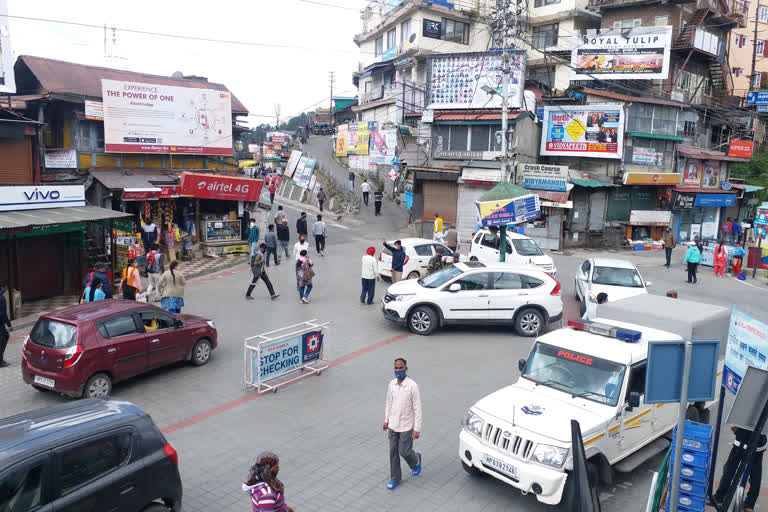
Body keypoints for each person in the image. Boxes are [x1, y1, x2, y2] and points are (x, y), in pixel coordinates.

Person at [383, 357, 423, 490]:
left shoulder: (412, 386)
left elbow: (417, 408)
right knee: (393, 453)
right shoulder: (392, 384)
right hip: (393, 425)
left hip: (407, 426)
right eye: (396, 368)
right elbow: (389, 403)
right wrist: (386, 420)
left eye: (401, 368)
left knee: (404, 452)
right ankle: (395, 478)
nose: (398, 370)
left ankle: (416, 460)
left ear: (406, 369)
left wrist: (417, 428)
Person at [709, 426, 766, 512]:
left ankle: (719, 497)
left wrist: (738, 432)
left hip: (742, 440)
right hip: (759, 442)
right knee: (755, 473)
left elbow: (733, 421)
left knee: (730, 468)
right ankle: (749, 505)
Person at [0, 281, 12, 368]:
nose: (6, 289)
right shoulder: (1, 298)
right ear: (2, 288)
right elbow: (3, 314)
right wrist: (9, 324)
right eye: (5, 287)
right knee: (4, 338)